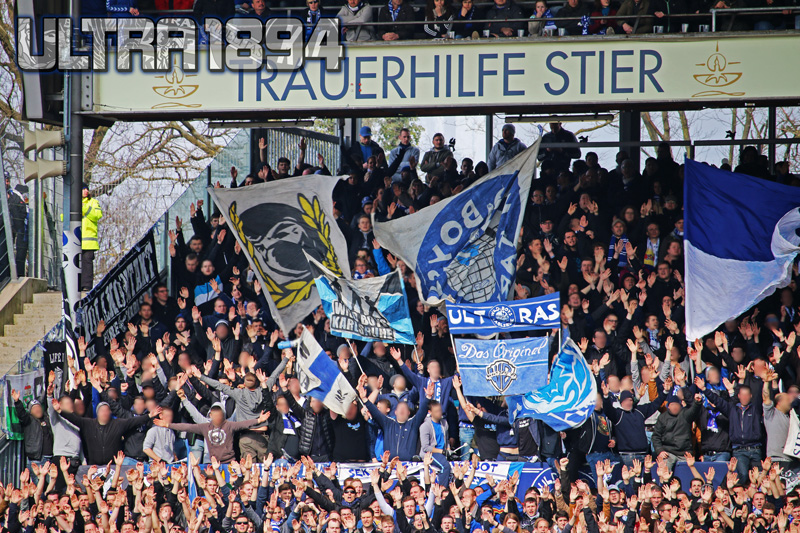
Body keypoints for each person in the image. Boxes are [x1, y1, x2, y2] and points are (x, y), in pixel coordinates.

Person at [53, 401, 162, 465]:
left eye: (106, 410)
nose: (104, 413)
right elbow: (74, 418)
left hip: (113, 466)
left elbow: (133, 421)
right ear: (97, 413)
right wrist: (60, 411)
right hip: (94, 466)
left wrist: (149, 416)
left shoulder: (118, 424)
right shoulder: (88, 423)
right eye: (102, 410)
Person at [81, 184, 102, 291]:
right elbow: (63, 217)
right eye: (83, 189)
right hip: (76, 239)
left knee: (87, 263)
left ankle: (87, 286)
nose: (86, 191)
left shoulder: (93, 202)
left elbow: (97, 215)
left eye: (87, 189)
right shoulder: (71, 202)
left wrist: (84, 207)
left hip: (89, 240)